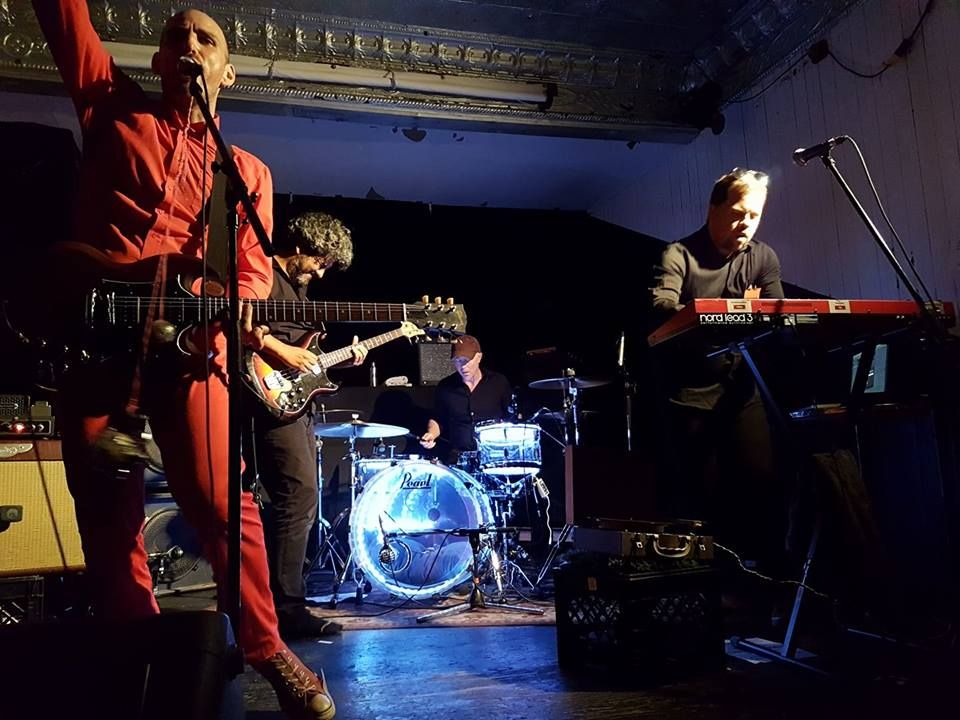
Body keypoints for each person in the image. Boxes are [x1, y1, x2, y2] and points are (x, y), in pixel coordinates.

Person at [34, 2, 334, 718]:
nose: (189, 44)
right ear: (160, 61)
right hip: (98, 342)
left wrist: (239, 306)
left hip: (192, 351)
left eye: (206, 38)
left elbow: (253, 274)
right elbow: (66, 19)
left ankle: (266, 647)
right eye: (177, 37)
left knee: (227, 506)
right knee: (106, 509)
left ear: (226, 71)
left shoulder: (246, 172)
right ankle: (134, 650)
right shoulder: (114, 110)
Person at [650, 167, 784, 569]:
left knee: (760, 482)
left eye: (755, 216)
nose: (747, 223)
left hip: (741, 390)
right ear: (713, 208)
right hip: (689, 394)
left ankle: (757, 580)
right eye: (739, 213)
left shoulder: (762, 256)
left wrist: (727, 318)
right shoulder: (678, 255)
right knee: (700, 494)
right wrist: (729, 315)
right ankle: (701, 581)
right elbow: (661, 307)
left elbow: (776, 313)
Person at [243, 211, 366, 639]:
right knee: (298, 497)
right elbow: (237, 324)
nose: (320, 272)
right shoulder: (260, 273)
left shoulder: (301, 294)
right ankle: (287, 610)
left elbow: (307, 359)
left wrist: (338, 361)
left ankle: (273, 606)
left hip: (295, 405)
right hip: (265, 398)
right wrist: (283, 352)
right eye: (319, 262)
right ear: (299, 247)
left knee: (291, 501)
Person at [420, 335, 513, 465]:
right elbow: (438, 419)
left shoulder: (498, 383)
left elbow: (511, 417)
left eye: (466, 360)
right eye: (457, 361)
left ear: (479, 357)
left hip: (494, 457)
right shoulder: (445, 386)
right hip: (458, 458)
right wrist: (431, 434)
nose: (462, 366)